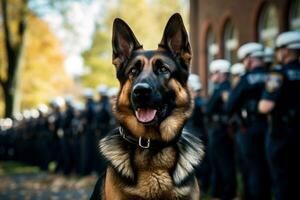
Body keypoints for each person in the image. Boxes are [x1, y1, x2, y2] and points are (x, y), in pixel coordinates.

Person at [226, 42, 271, 200]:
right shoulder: (272, 75)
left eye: (244, 60)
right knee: (266, 167)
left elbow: (230, 105)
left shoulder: (246, 79)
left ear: (249, 60)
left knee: (252, 168)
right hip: (270, 128)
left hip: (249, 129)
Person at [258, 31, 300, 200]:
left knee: (282, 180)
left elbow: (265, 107)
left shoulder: (277, 74)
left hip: (281, 135)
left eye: (278, 49)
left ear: (285, 51)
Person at [205, 59, 236, 200]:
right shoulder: (221, 88)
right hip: (216, 130)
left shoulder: (225, 89)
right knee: (217, 163)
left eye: (213, 73)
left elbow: (226, 107)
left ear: (221, 73)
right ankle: (218, 192)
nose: (212, 76)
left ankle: (228, 193)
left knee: (224, 164)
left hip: (221, 131)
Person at [186, 73, 210, 194]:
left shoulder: (197, 101)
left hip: (196, 136)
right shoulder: (195, 101)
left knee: (200, 165)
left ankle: (203, 187)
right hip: (193, 135)